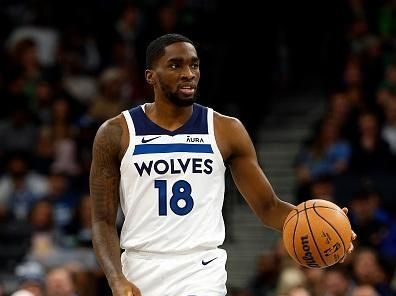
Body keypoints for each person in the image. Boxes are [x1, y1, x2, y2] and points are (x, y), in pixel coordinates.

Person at [90, 33, 356, 296]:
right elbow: (102, 220)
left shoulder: (225, 129)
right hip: (139, 267)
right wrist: (115, 278)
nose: (188, 73)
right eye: (175, 65)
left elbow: (267, 207)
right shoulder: (115, 133)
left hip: (201, 269)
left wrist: (327, 227)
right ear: (151, 76)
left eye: (194, 64)